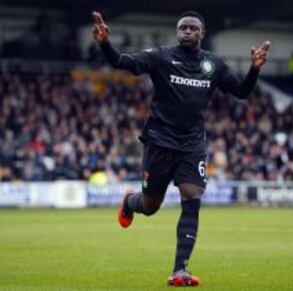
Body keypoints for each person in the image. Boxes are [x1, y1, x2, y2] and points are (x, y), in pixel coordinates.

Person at [92, 10, 271, 286]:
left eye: (193, 28)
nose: (187, 31)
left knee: (192, 197)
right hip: (159, 141)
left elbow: (242, 92)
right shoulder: (162, 57)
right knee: (151, 205)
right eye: (183, 28)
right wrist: (105, 44)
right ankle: (130, 201)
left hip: (191, 144)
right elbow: (121, 61)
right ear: (178, 32)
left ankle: (180, 270)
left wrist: (254, 69)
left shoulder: (214, 64)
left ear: (203, 33)